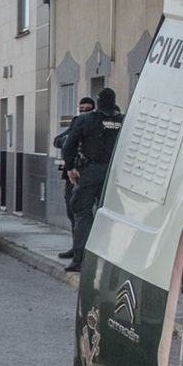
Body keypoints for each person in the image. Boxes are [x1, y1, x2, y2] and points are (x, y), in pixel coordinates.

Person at [61, 86, 123, 268]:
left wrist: (71, 168)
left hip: (90, 173)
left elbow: (68, 146)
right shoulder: (124, 121)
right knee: (110, 217)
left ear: (98, 102)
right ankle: (108, 259)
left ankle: (79, 260)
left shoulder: (85, 120)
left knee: (81, 212)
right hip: (114, 175)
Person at [52, 96, 95, 239]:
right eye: (81, 109)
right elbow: (58, 140)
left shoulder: (94, 126)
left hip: (88, 174)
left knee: (84, 212)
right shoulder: (76, 124)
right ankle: (75, 244)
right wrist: (69, 141)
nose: (84, 112)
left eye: (87, 110)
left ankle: (82, 247)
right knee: (71, 209)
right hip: (72, 173)